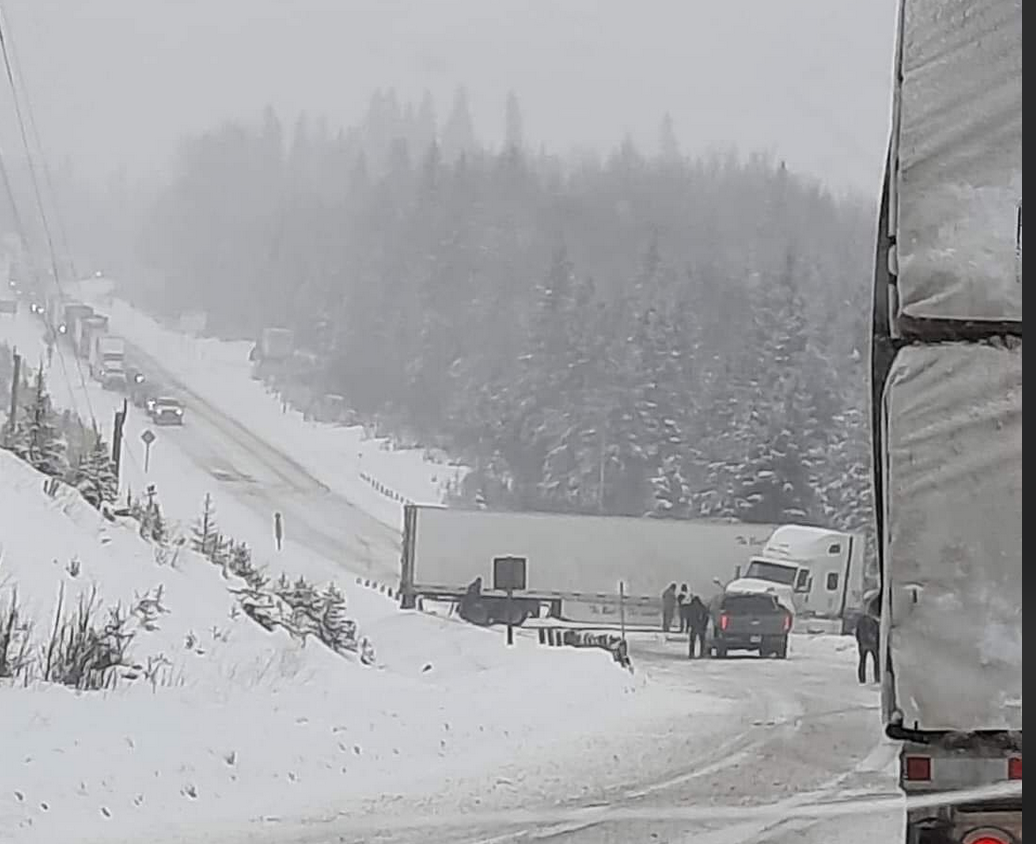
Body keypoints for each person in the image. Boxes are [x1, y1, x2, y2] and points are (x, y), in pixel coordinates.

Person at [855, 610, 880, 684]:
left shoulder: (861, 621)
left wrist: (859, 641)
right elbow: (877, 633)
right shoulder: (874, 622)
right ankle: (877, 678)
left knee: (862, 661)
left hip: (863, 644)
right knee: (876, 661)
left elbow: (857, 633)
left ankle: (862, 679)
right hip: (873, 645)